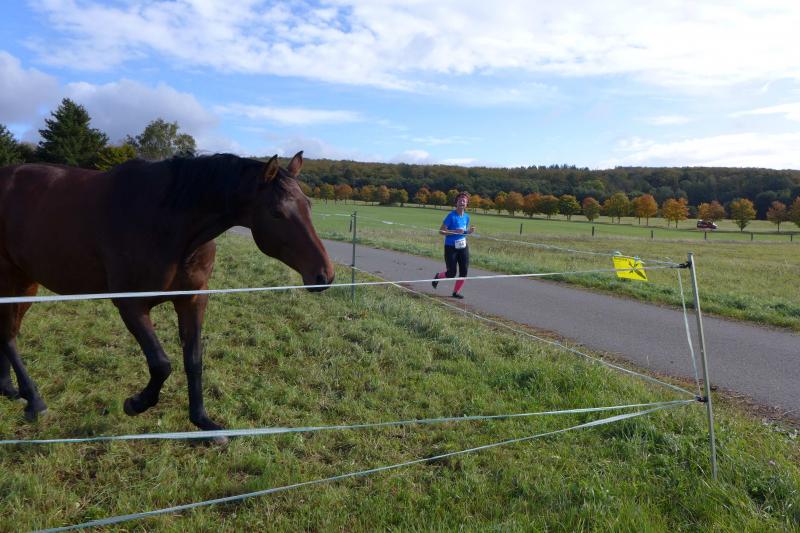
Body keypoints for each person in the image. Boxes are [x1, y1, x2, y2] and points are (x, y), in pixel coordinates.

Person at [432, 191, 475, 299]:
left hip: (463, 246)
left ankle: (456, 292)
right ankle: (438, 276)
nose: (462, 202)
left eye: (464, 201)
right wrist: (455, 231)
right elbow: (441, 231)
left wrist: (468, 232)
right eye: (460, 200)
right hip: (451, 247)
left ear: (467, 204)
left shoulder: (467, 217)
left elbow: (463, 232)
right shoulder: (451, 216)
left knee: (464, 271)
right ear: (456, 203)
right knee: (451, 273)